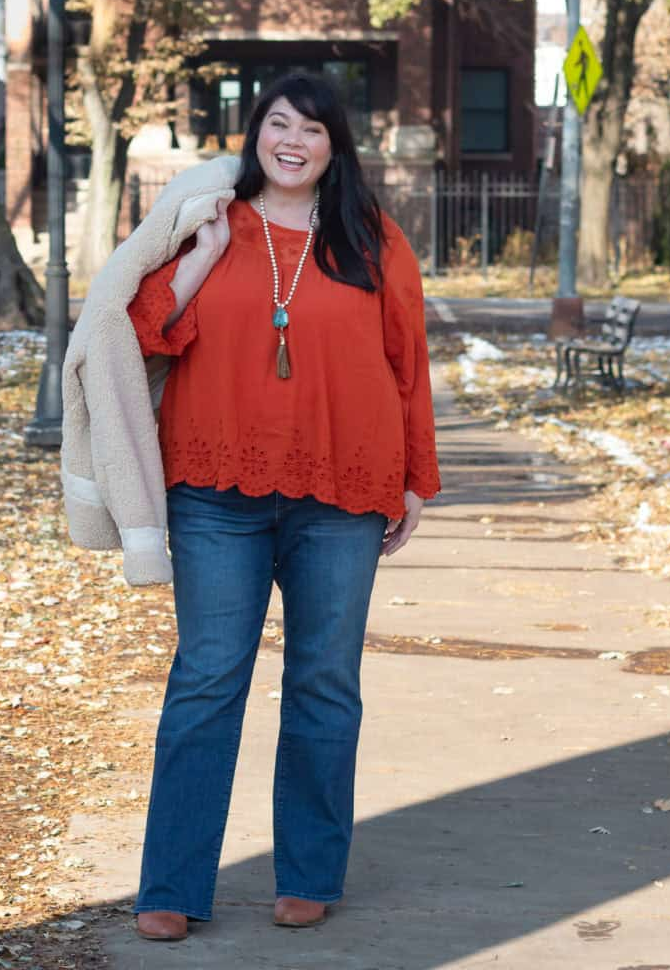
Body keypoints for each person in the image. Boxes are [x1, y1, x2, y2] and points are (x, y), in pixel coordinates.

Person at [125, 72, 440, 941]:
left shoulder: (373, 238)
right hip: (213, 492)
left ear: (334, 147)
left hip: (341, 492)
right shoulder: (207, 219)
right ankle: (171, 885)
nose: (291, 141)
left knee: (323, 684)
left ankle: (308, 872)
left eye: (311, 128)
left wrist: (415, 477)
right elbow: (143, 329)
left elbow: (407, 363)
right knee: (206, 679)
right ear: (254, 133)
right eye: (277, 123)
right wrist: (198, 258)